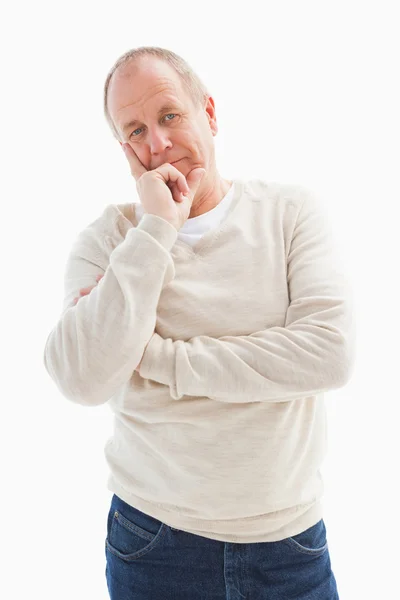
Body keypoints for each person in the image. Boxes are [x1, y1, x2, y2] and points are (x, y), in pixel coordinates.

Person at [43, 46, 356, 599]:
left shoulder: (289, 214)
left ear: (208, 113)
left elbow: (327, 354)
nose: (157, 143)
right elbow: (82, 378)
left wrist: (154, 357)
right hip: (153, 544)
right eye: (135, 130)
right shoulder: (111, 240)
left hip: (289, 546)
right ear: (124, 149)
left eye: (169, 116)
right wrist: (157, 228)